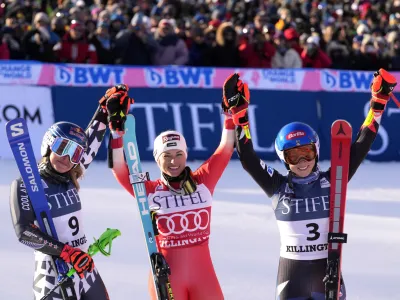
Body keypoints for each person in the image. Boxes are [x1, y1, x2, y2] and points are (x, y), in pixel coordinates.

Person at [222, 69, 397, 300]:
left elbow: (361, 144)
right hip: (291, 276)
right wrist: (240, 115)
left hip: (327, 270)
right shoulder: (277, 186)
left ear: (316, 151)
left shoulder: (334, 180)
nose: (302, 161)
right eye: (294, 156)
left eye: (307, 153)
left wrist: (378, 103)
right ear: (284, 159)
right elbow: (248, 159)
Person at [105, 83, 235, 299]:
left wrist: (230, 113)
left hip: (204, 277)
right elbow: (118, 169)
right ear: (157, 159)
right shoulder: (149, 191)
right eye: (166, 156)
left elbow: (226, 148)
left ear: (186, 155)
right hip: (167, 277)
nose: (173, 162)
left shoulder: (203, 180)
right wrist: (116, 134)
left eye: (178, 155)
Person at [9, 89, 119, 299]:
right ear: (48, 145)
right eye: (62, 147)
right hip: (52, 275)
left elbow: (92, 142)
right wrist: (66, 252)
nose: (66, 157)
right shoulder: (27, 184)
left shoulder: (70, 174)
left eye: (75, 153)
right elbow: (24, 231)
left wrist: (105, 108)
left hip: (84, 270)